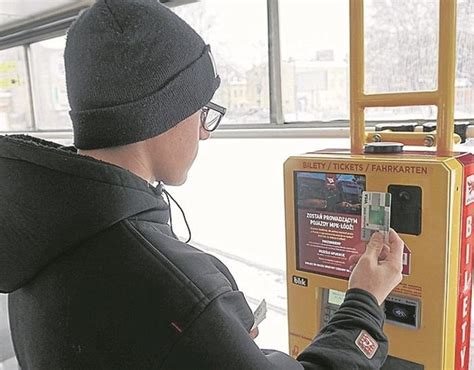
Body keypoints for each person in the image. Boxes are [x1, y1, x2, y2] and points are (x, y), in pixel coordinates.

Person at [0, 0, 404, 369]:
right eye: (202, 113)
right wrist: (364, 302)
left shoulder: (37, 234)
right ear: (162, 113)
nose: (205, 133)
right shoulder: (176, 292)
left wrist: (222, 344)